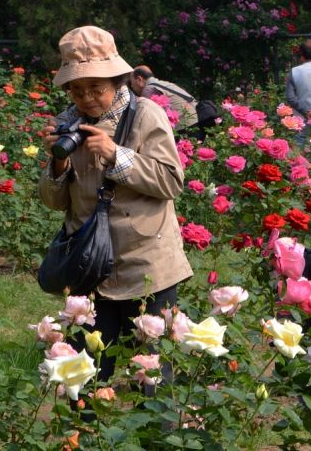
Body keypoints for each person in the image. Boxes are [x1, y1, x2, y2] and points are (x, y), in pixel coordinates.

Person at [40, 26, 193, 382]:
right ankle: (85, 435)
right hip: (89, 266)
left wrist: (114, 155)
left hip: (147, 263)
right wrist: (59, 162)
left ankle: (158, 437)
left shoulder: (144, 115)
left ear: (117, 81)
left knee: (152, 375)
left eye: (97, 88)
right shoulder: (68, 124)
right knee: (86, 375)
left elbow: (170, 181)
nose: (87, 98)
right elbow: (52, 201)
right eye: (77, 90)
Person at [129, 65, 199, 131]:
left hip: (187, 125)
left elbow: (144, 118)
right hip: (198, 117)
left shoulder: (149, 90)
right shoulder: (166, 84)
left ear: (139, 80)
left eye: (131, 82)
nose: (132, 86)